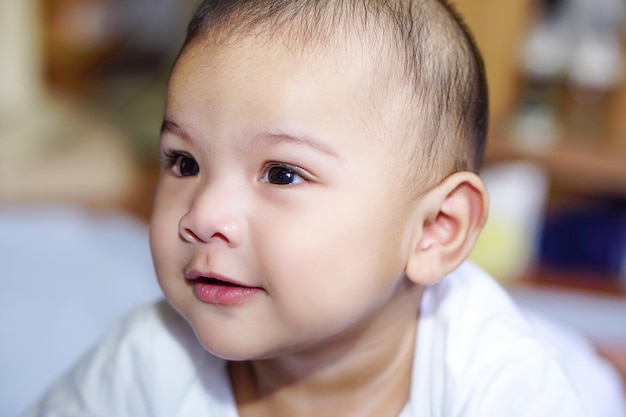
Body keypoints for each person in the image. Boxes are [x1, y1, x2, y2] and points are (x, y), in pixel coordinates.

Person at [22, 0, 624, 416]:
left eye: (282, 173)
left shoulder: (503, 384)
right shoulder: (147, 359)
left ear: (434, 230)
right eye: (185, 163)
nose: (202, 215)